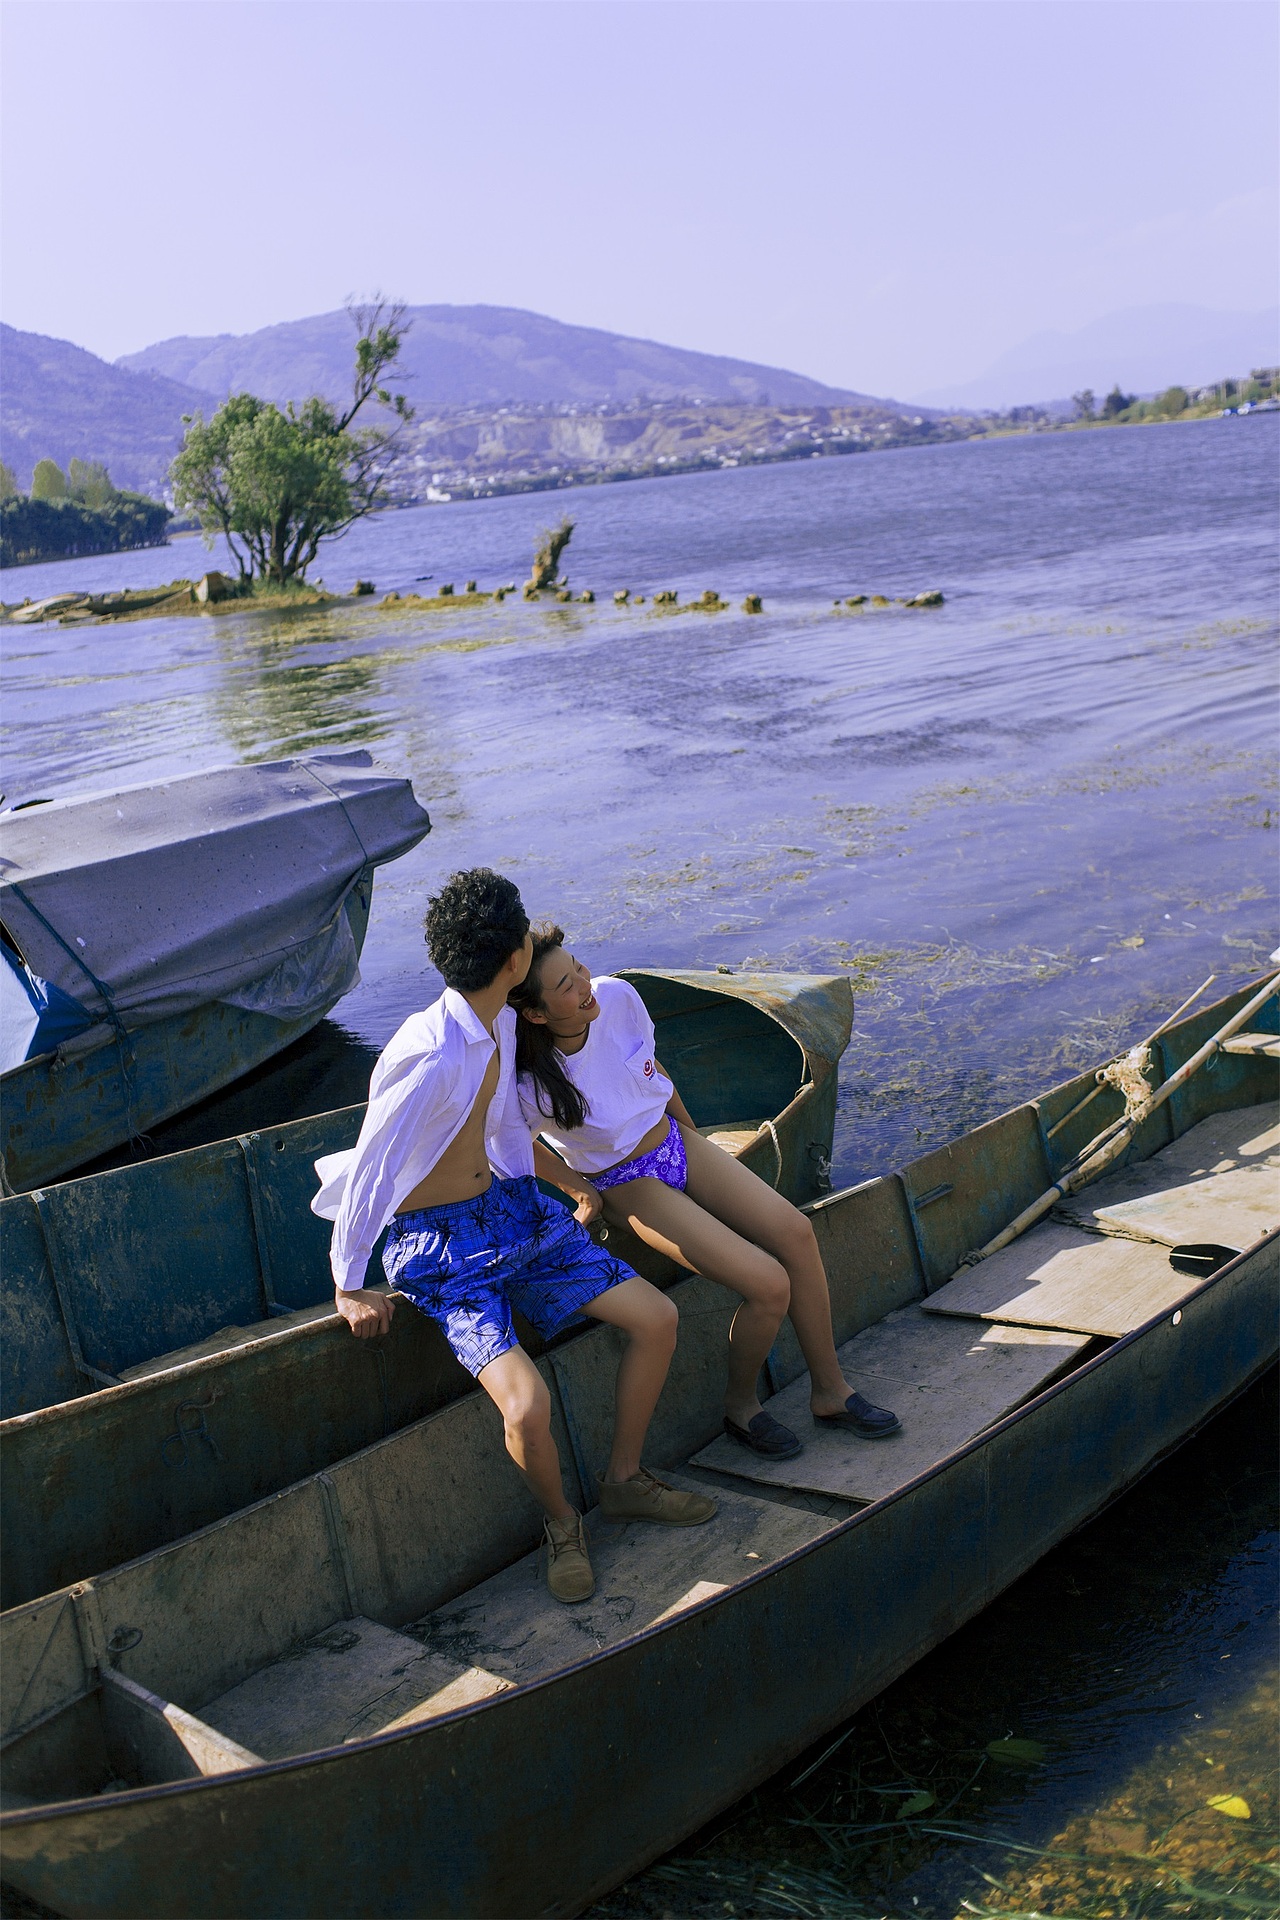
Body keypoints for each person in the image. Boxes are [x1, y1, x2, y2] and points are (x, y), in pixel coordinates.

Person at [311, 870, 715, 1607]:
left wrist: (564, 1185)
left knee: (658, 1318)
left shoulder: (497, 1018)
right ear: (513, 964)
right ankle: (562, 1525)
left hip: (508, 1213)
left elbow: (503, 1127)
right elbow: (371, 1170)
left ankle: (624, 1482)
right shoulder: (427, 1051)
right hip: (437, 1249)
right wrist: (348, 1282)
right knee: (526, 1406)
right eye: (525, 936)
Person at [509, 927, 901, 1459]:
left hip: (676, 1141)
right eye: (565, 984)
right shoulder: (528, 1080)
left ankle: (831, 1391)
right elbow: (515, 1149)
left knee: (797, 1233)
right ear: (535, 1013)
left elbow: (653, 1070)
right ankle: (742, 1407)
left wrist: (696, 1137)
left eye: (578, 966)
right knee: (768, 1285)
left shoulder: (618, 997)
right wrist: (578, 1189)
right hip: (627, 1182)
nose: (585, 984)